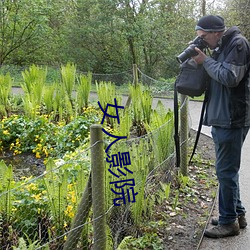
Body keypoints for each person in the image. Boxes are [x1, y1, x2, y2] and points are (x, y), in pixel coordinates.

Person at [192, 15, 250, 238]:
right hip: (222, 117)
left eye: (204, 37)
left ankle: (228, 223)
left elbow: (229, 77)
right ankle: (237, 214)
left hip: (232, 118)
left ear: (216, 32)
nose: (203, 41)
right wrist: (202, 60)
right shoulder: (221, 46)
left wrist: (205, 61)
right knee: (227, 171)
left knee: (225, 171)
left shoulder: (238, 44)